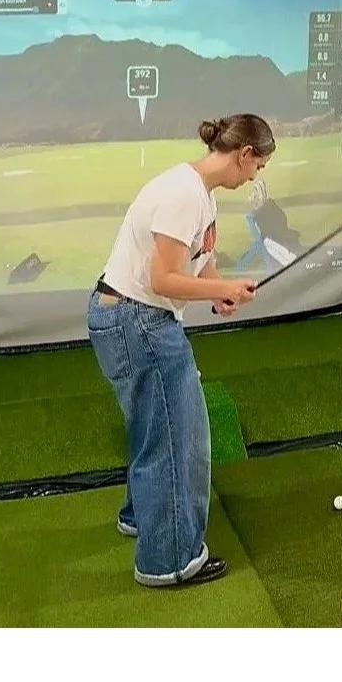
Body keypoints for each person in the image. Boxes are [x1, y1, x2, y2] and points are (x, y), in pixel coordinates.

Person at [87, 114, 271, 587]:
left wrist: (220, 292)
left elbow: (198, 264)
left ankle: (141, 519)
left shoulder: (202, 196)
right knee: (177, 438)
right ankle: (168, 561)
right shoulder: (183, 195)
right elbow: (161, 280)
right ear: (244, 153)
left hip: (135, 318)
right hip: (138, 321)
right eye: (259, 165)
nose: (256, 176)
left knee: (155, 428)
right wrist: (223, 286)